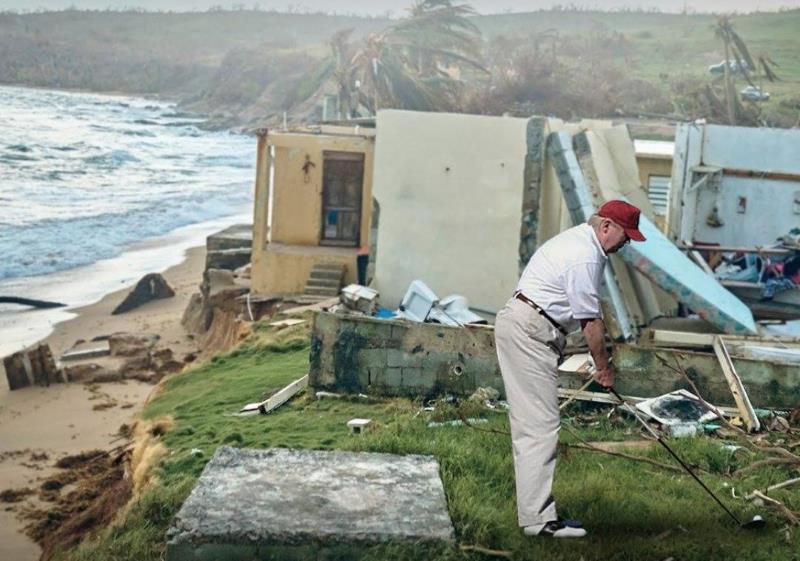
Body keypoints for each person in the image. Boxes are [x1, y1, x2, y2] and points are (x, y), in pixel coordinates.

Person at [494, 200, 646, 538]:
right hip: (529, 331)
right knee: (540, 427)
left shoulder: (581, 242)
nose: (627, 243)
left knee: (536, 424)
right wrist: (604, 369)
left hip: (531, 327)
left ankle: (539, 516)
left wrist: (595, 357)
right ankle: (538, 523)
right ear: (606, 226)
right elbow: (590, 320)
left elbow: (580, 314)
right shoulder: (585, 255)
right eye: (625, 235)